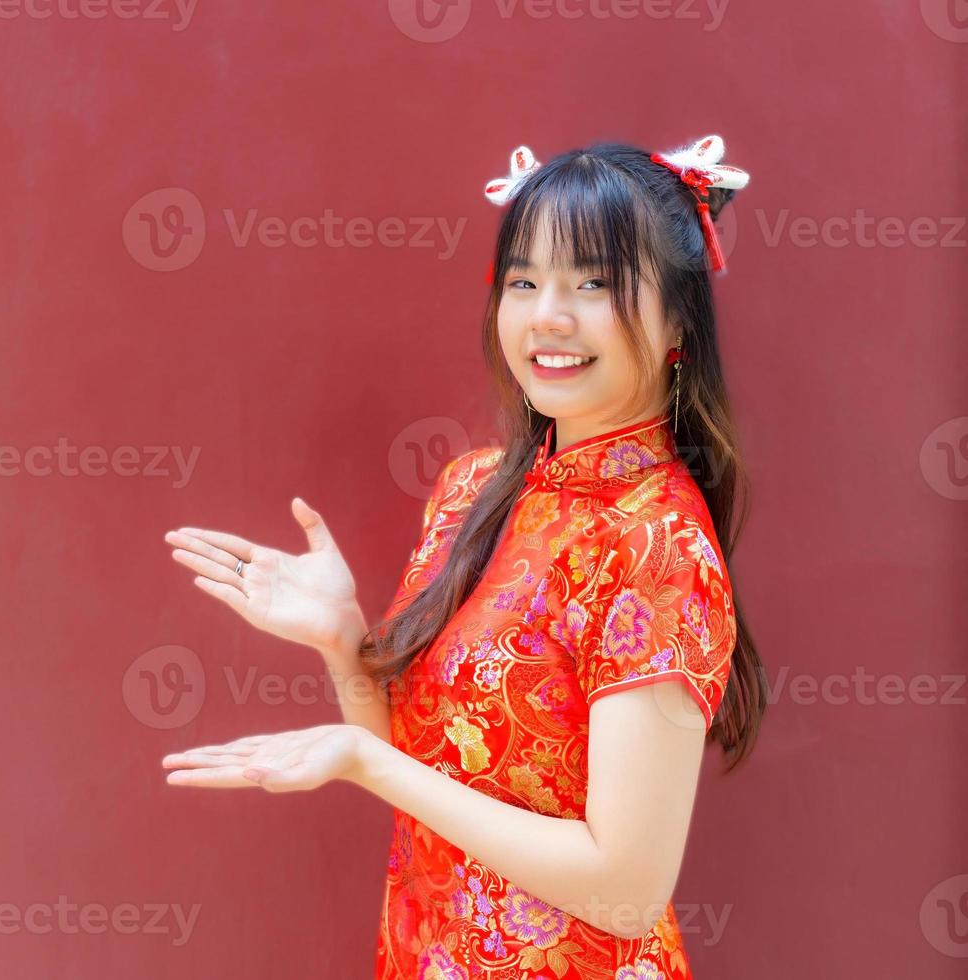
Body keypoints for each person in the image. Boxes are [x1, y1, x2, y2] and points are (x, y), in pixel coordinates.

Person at [160, 135, 767, 979]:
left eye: (592, 282)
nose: (546, 315)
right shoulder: (471, 489)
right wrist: (343, 644)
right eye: (524, 280)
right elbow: (420, 770)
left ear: (677, 321)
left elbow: (626, 889)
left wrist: (362, 761)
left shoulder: (657, 545)